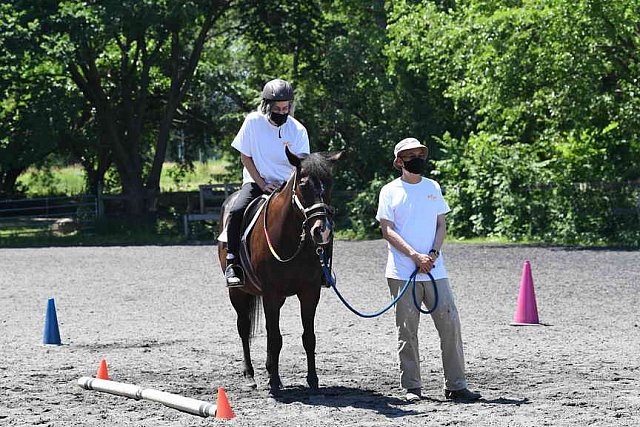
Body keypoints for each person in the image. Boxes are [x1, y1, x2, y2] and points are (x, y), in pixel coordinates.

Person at [375, 137, 481, 402]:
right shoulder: (389, 191)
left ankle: (456, 385)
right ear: (399, 161)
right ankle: (411, 387)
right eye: (411, 155)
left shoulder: (433, 187)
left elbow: (441, 224)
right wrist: (414, 256)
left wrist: (432, 254)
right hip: (402, 272)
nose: (417, 159)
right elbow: (387, 230)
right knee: (407, 330)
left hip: (435, 269)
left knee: (450, 324)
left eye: (420, 154)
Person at [224, 78, 310, 287]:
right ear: (267, 106)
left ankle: (323, 266)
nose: (282, 112)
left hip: (287, 185)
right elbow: (246, 157)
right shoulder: (253, 122)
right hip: (256, 182)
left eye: (286, 108)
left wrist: (286, 187)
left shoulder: (298, 130)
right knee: (236, 211)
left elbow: (302, 165)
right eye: (277, 108)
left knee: (318, 215)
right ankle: (232, 261)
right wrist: (262, 184)